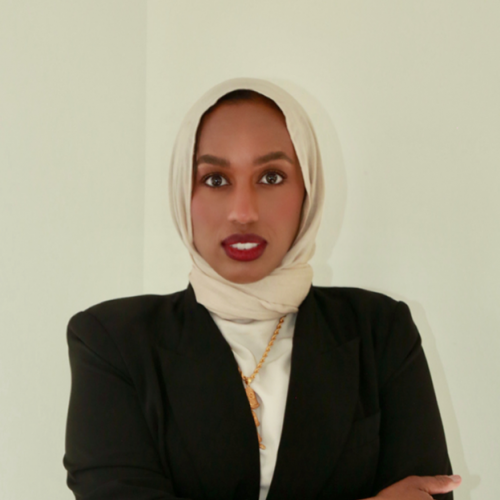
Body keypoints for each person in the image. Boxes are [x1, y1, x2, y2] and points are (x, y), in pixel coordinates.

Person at [63, 78, 461, 500]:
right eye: (216, 180)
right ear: (182, 192)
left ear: (307, 190)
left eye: (271, 177)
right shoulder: (113, 341)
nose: (243, 212)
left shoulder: (379, 331)